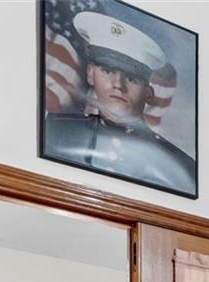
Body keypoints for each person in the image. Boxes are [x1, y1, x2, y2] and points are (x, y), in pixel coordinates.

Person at [42, 11, 196, 193]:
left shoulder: (181, 166)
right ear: (91, 74)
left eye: (131, 78)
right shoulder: (55, 130)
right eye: (107, 71)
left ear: (149, 93)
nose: (118, 85)